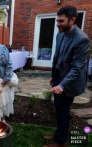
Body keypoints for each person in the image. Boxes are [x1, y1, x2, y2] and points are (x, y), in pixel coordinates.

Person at [43, 6, 90, 147]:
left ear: (73, 19)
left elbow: (77, 69)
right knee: (58, 108)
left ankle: (61, 142)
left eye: (61, 21)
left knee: (63, 110)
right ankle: (60, 134)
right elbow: (58, 57)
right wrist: (54, 75)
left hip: (70, 81)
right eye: (57, 20)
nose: (58, 24)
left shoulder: (82, 39)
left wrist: (62, 85)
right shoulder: (60, 34)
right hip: (59, 77)